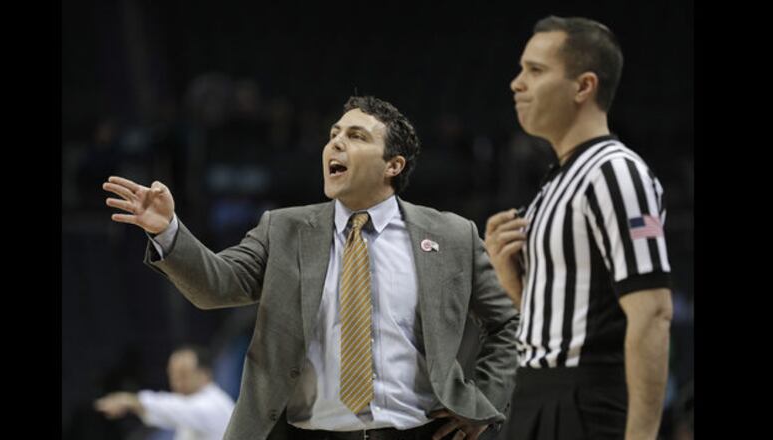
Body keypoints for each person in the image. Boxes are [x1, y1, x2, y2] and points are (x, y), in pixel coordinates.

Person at [103, 96, 520, 440]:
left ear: (393, 165)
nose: (335, 144)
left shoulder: (451, 235)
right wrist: (168, 230)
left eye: (355, 136)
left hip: (418, 432)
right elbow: (218, 285)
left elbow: (507, 324)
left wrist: (484, 401)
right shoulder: (283, 230)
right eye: (333, 135)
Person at [484, 16, 673, 440]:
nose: (517, 83)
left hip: (585, 401)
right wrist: (512, 280)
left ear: (583, 86)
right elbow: (561, 329)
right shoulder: (557, 181)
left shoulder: (615, 172)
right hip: (535, 391)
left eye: (535, 70)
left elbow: (654, 312)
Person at [94, 345, 235, 440]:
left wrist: (130, 401)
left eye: (183, 375)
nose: (177, 383)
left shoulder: (213, 405)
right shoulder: (191, 406)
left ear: (205, 374)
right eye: (173, 376)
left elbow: (177, 408)